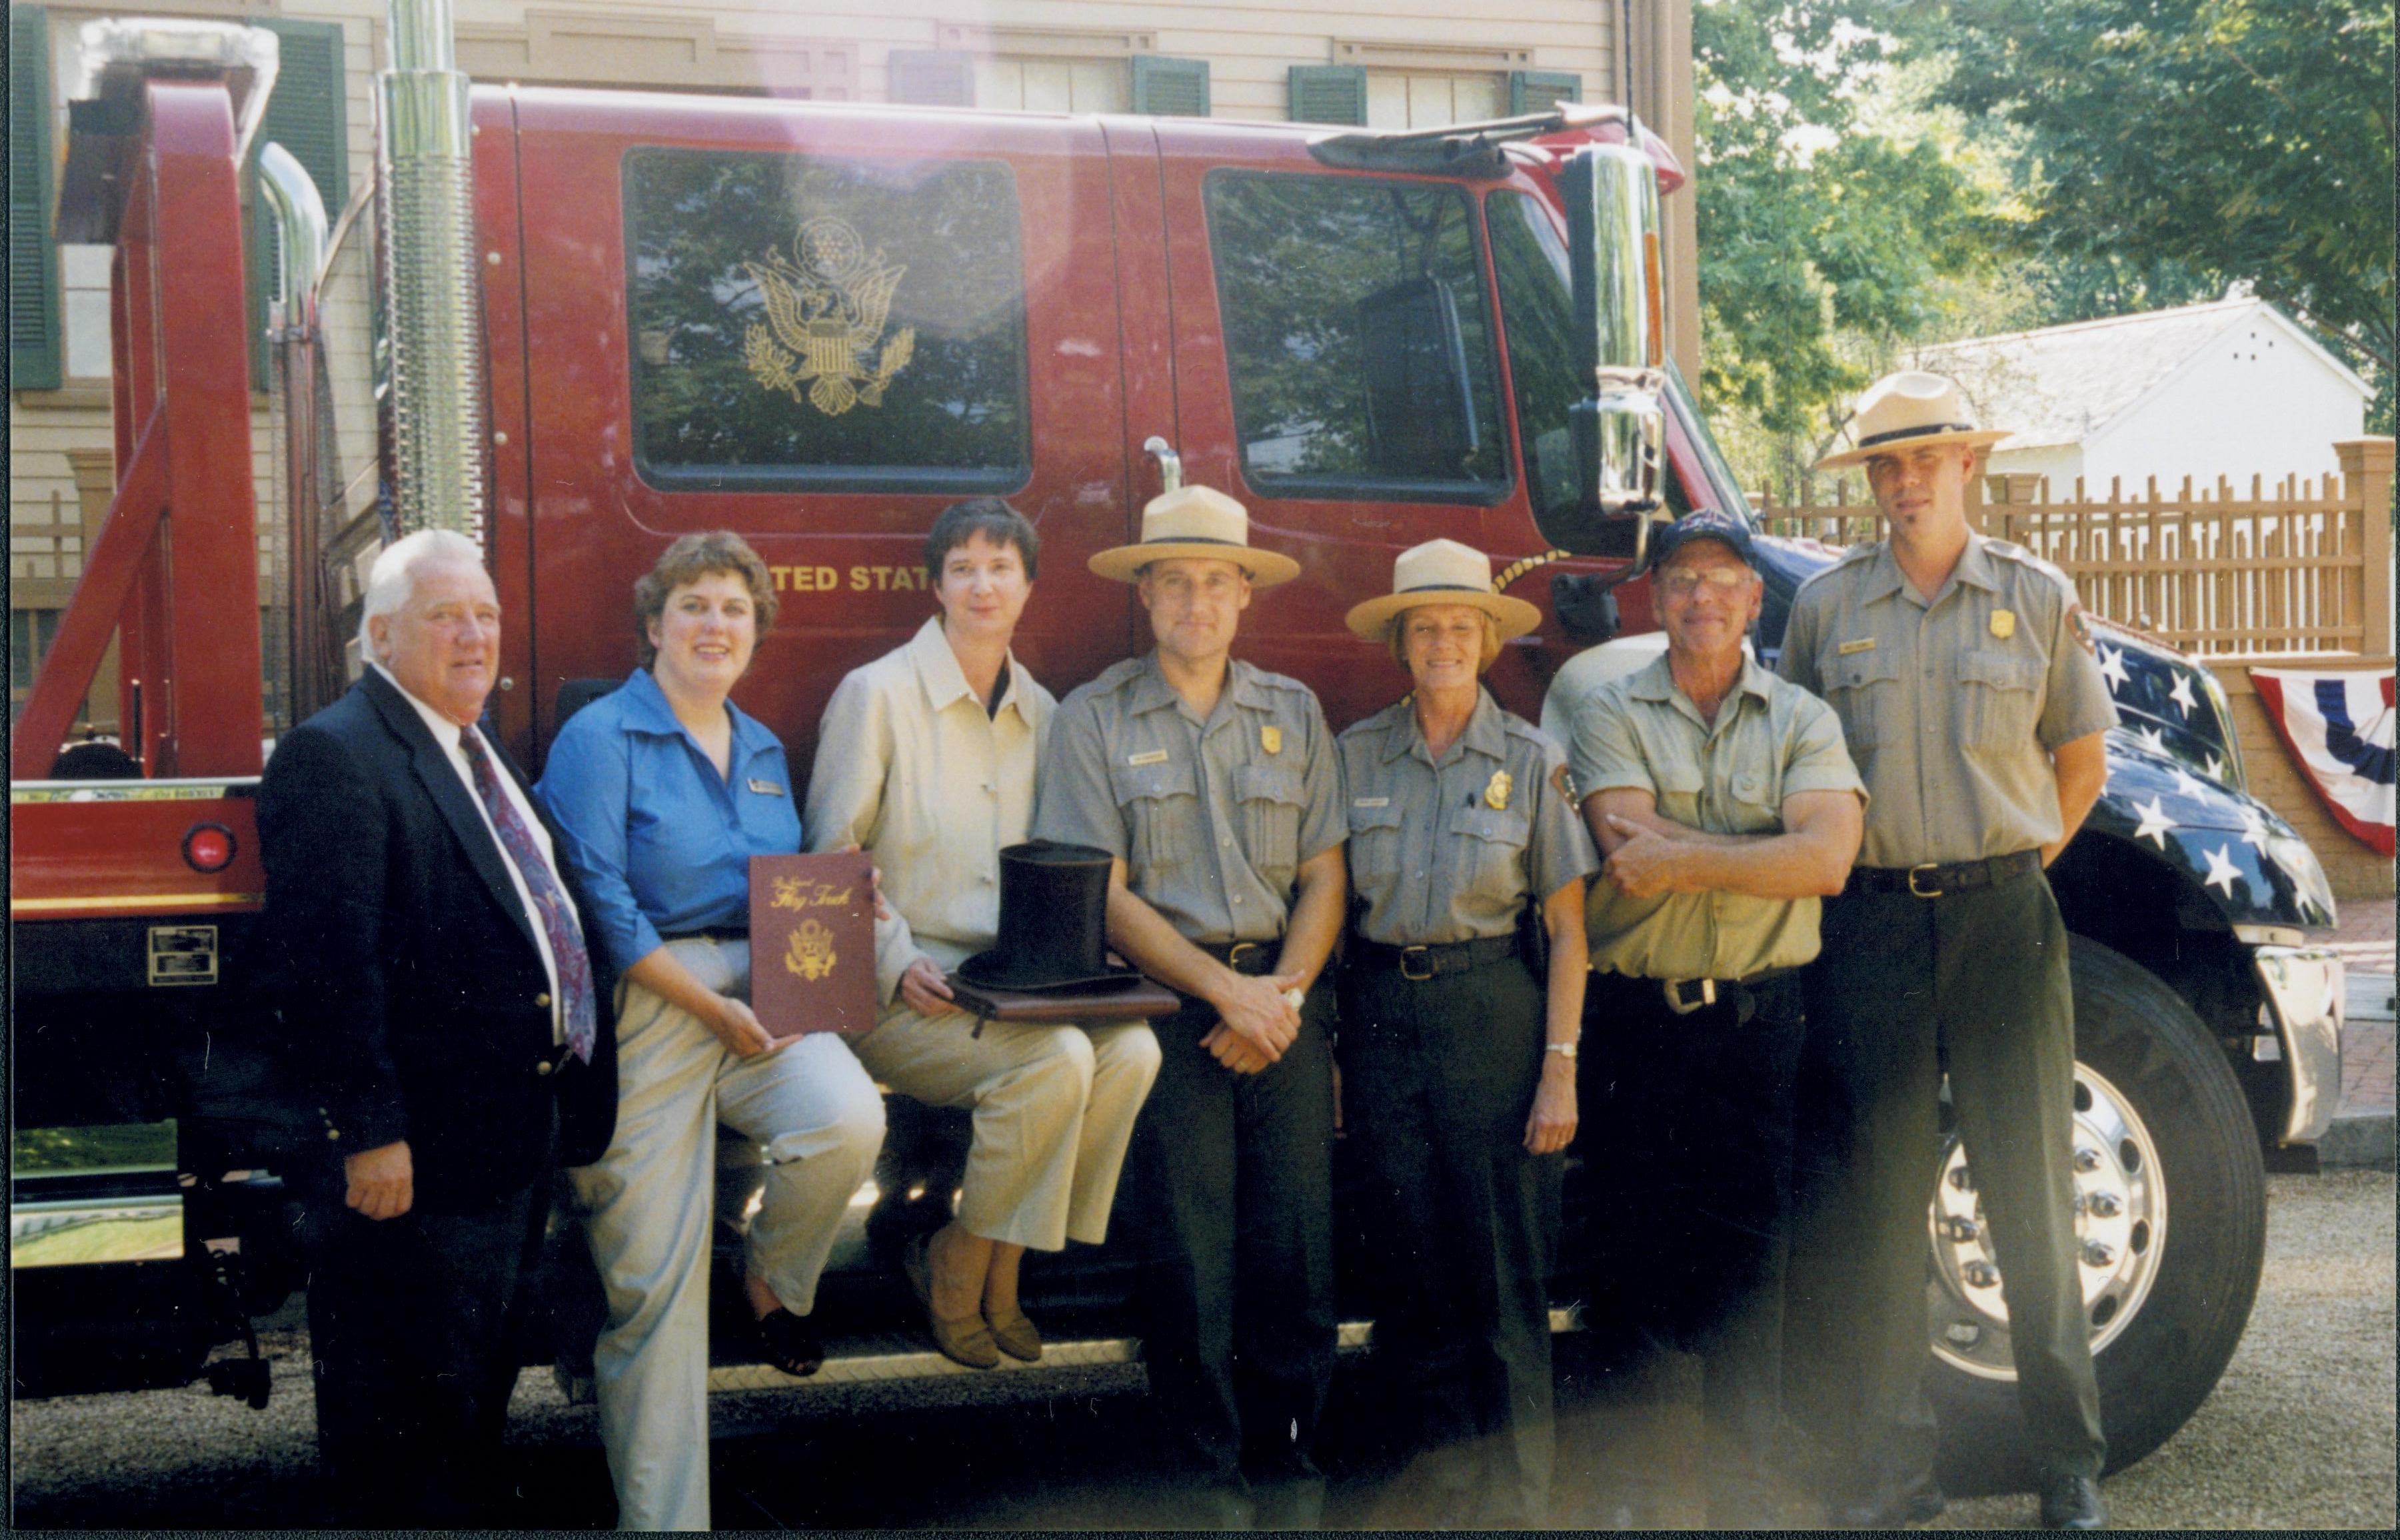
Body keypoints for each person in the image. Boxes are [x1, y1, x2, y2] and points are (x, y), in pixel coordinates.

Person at [1778, 372, 2117, 1531]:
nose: (1904, 481)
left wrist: (2010, 875)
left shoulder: (2032, 596)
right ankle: (1894, 1468)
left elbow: (2079, 761)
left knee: (2030, 1192)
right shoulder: (1825, 611)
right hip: (1869, 926)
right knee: (1878, 1206)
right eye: (1884, 465)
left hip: (2001, 922)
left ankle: (2066, 1463)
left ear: (1968, 465)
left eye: (1926, 459)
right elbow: (1797, 773)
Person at [255, 528, 618, 1527]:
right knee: (404, 1421)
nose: (475, 636)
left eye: (487, 614)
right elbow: (329, 971)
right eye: (445, 615)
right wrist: (371, 1134)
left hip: (499, 1141)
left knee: (467, 1404)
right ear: (380, 632)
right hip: (416, 1163)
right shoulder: (336, 754)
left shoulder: (466, 743)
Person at [536, 530, 886, 1531]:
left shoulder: (765, 746)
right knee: (653, 1288)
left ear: (754, 634)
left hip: (767, 987)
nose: (714, 625)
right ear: (655, 623)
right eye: (694, 604)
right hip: (654, 997)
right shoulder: (600, 737)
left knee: (846, 1121)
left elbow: (786, 888)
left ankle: (771, 1277)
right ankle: (666, 1523)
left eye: (734, 609)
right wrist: (708, 1007)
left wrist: (842, 916)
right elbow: (596, 902)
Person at [1032, 484, 1345, 1528]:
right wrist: (1228, 996)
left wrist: (1281, 998)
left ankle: (1288, 1458)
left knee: (1293, 1243)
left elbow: (1324, 875)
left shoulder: (1292, 712)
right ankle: (1202, 1478)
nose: (1195, 602)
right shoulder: (1094, 718)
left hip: (1282, 1001)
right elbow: (1105, 895)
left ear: (1244, 597)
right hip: (1165, 1009)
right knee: (1187, 1253)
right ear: (1146, 597)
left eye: (1216, 582)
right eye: (1175, 583)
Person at [1554, 510, 1865, 1526]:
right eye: (1681, 579)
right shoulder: (1608, 710)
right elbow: (1622, 852)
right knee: (1628, 1245)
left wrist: (1688, 853)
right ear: (1654, 599)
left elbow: (1826, 860)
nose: (1701, 597)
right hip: (1636, 1020)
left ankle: (1741, 1488)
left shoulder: (1802, 720)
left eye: (1722, 579)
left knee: (1754, 1248)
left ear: (1752, 599)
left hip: (1757, 1019)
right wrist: (1757, 851)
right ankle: (1632, 1489)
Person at [805, 498, 1161, 1369]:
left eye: (1001, 567)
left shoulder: (1042, 713)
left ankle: (997, 1257)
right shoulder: (876, 694)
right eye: (962, 567)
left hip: (1008, 987)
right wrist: (893, 961)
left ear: (1029, 587)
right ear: (935, 585)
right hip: (896, 991)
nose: (981, 584)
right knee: (1060, 1065)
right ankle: (962, 1258)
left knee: (1133, 1054)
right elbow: (824, 863)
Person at [1334, 540, 1596, 1526]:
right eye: (1424, 627)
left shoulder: (1533, 762)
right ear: (1400, 642)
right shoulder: (1355, 753)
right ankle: (1441, 1491)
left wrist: (1559, 1071)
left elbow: (1568, 930)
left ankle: (1520, 1502)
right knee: (1413, 1271)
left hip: (1493, 1011)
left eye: (1460, 626)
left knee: (1504, 1274)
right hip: (1378, 1013)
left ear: (1487, 642)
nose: (1442, 642)